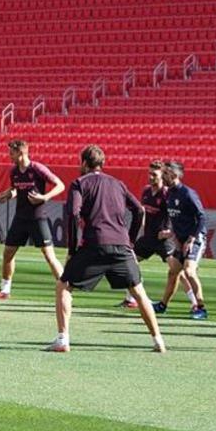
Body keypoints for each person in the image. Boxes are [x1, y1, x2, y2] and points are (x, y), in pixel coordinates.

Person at [47, 145, 165, 353]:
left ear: (84, 163)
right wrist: (130, 241)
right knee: (138, 292)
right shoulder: (117, 183)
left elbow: (73, 214)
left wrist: (72, 249)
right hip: (121, 245)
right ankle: (158, 341)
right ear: (102, 163)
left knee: (63, 286)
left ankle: (63, 339)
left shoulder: (79, 183)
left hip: (94, 244)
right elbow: (138, 210)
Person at [0, 139, 65, 299]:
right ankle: (5, 290)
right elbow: (16, 189)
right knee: (8, 253)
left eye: (11, 153)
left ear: (20, 153)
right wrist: (7, 194)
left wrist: (44, 197)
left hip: (37, 218)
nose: (9, 156)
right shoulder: (14, 171)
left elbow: (60, 185)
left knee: (49, 256)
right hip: (20, 218)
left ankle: (66, 288)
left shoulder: (37, 169)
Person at [118, 160, 195, 310]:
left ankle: (195, 303)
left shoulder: (167, 194)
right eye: (149, 173)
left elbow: (176, 214)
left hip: (163, 240)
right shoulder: (146, 191)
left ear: (162, 176)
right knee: (128, 262)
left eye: (154, 174)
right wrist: (143, 226)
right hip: (148, 238)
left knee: (178, 271)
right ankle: (131, 299)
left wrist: (170, 232)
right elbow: (144, 211)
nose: (151, 177)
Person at [153, 162, 208, 320]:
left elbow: (202, 217)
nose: (163, 177)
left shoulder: (188, 193)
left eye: (166, 174)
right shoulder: (169, 193)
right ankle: (163, 305)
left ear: (175, 175)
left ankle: (201, 308)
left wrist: (191, 239)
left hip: (195, 238)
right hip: (181, 239)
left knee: (189, 271)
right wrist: (173, 235)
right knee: (173, 272)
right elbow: (176, 217)